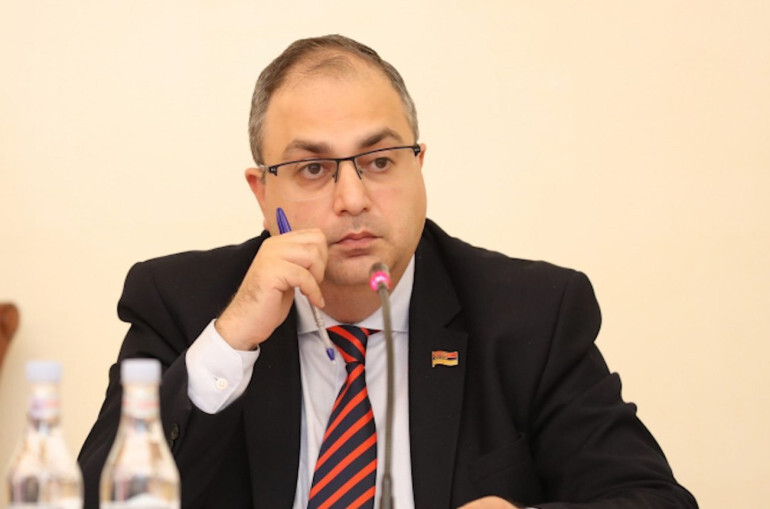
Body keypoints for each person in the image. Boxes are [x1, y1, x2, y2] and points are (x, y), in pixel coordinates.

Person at [78, 35, 698, 509]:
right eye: (313, 169)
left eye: (379, 161)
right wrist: (231, 340)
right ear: (263, 193)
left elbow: (654, 500)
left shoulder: (531, 313)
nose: (352, 199)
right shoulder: (184, 304)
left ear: (418, 166)